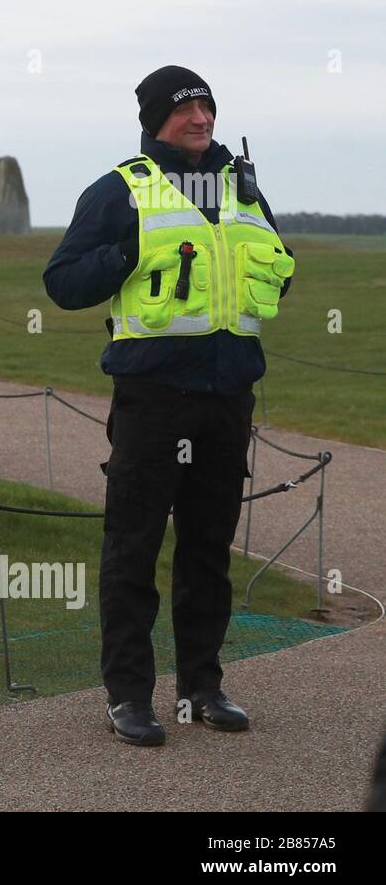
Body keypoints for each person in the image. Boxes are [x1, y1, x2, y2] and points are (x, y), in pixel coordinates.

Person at [42, 65, 295, 746]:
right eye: (186, 110)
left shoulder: (242, 187)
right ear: (157, 119)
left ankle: (203, 687)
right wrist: (129, 253)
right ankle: (129, 696)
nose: (201, 120)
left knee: (209, 550)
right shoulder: (121, 189)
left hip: (227, 399)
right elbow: (62, 281)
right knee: (134, 548)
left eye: (207, 108)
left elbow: (277, 262)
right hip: (153, 400)